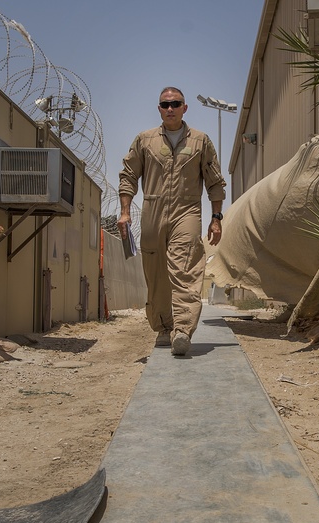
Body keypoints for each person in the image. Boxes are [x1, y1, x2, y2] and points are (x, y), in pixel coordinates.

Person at [117, 87, 227, 355]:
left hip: (187, 211)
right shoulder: (145, 140)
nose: (170, 108)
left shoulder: (201, 141)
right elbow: (129, 176)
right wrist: (125, 211)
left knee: (185, 268)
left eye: (175, 104)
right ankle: (164, 328)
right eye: (165, 104)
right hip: (152, 210)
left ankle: (183, 330)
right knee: (156, 275)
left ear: (184, 108)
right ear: (159, 109)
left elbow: (214, 182)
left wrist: (216, 218)